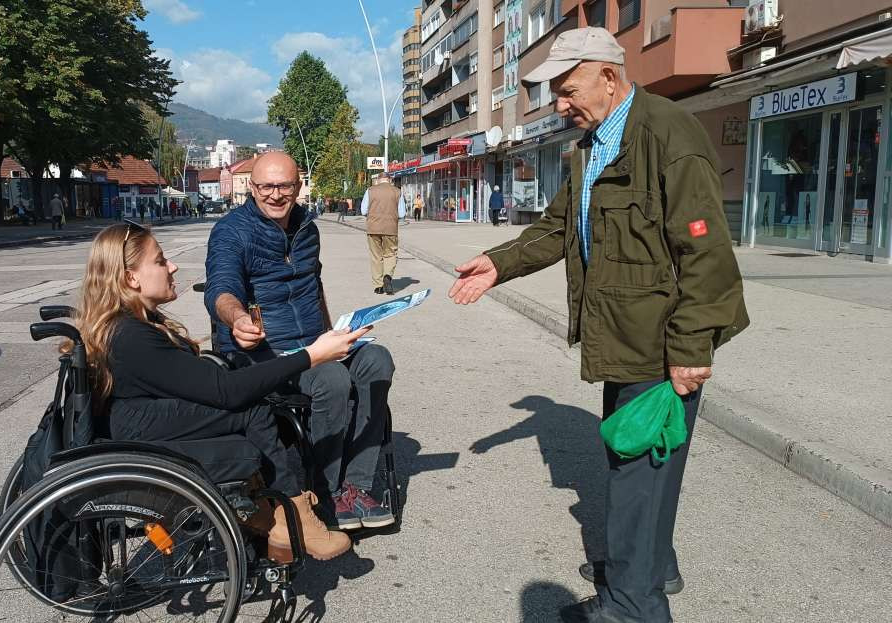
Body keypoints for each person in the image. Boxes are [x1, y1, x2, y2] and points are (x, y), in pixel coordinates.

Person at [448, 27, 749, 623]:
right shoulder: (593, 144)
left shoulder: (668, 133)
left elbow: (706, 251)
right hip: (621, 338)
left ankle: (630, 606)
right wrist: (499, 263)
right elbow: (560, 228)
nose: (560, 103)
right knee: (645, 471)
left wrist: (691, 348)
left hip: (660, 347)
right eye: (556, 93)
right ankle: (648, 565)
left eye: (567, 89)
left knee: (639, 474)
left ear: (609, 77)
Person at [74, 222, 364, 561]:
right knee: (252, 408)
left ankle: (266, 511)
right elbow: (226, 392)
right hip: (139, 429)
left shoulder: (132, 325)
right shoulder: (131, 336)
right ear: (130, 278)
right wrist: (312, 356)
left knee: (252, 403)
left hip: (138, 418)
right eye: (160, 260)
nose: (173, 266)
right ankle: (290, 516)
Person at [205, 152, 396, 532]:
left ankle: (354, 488)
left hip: (314, 342)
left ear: (299, 185)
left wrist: (335, 332)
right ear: (252, 188)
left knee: (377, 360)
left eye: (285, 186)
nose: (275, 195)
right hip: (266, 355)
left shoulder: (309, 228)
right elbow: (220, 289)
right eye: (265, 187)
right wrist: (238, 318)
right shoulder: (231, 231)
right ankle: (321, 492)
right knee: (331, 380)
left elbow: (314, 285)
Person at [361, 174, 405, 295]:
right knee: (390, 254)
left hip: (373, 228)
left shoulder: (370, 190)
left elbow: (363, 210)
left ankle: (378, 286)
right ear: (390, 180)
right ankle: (387, 276)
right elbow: (401, 214)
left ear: (378, 180)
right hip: (391, 228)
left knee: (376, 256)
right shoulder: (397, 191)